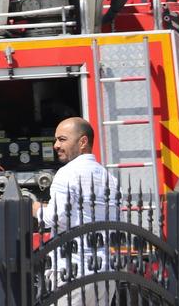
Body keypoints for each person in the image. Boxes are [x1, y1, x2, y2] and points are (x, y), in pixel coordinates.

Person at [32, 117, 119, 306]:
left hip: (73, 274)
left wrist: (36, 208)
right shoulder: (109, 177)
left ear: (83, 142)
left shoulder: (67, 173)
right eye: (56, 140)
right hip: (105, 271)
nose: (56, 145)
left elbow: (54, 218)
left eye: (62, 139)